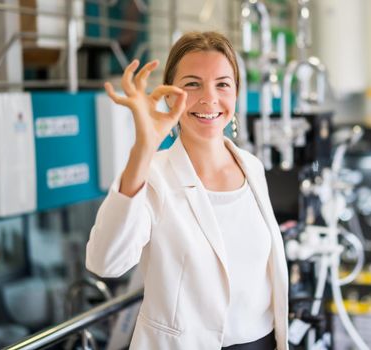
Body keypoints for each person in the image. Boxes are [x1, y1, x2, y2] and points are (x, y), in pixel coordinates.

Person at [85, 31, 289, 349]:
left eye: (222, 84)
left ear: (236, 93)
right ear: (169, 94)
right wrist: (144, 146)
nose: (209, 98)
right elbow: (106, 262)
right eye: (192, 84)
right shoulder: (153, 175)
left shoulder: (251, 166)